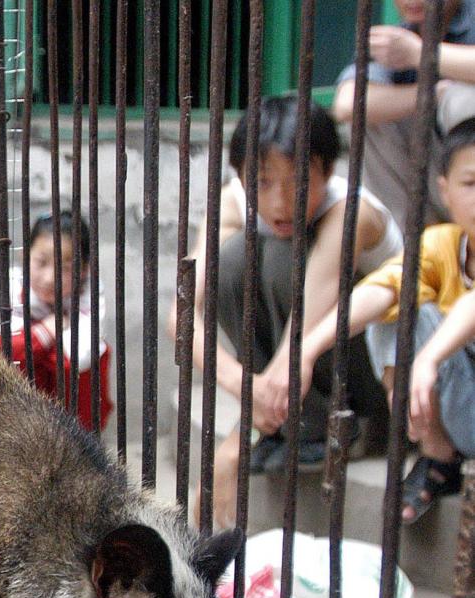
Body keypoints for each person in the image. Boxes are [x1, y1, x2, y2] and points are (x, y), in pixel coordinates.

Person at [172, 96, 398, 529]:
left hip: (367, 379)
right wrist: (247, 389)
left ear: (328, 172)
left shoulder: (351, 210)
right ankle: (282, 423)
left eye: (299, 182)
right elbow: (181, 317)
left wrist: (237, 440)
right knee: (233, 259)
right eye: (263, 181)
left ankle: (321, 424)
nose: (280, 201)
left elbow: (307, 326)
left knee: (280, 260)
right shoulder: (232, 202)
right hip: (289, 375)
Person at [266, 117, 475, 525]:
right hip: (460, 411)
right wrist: (305, 351)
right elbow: (379, 290)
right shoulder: (443, 244)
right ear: (444, 190)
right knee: (392, 306)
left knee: (422, 316)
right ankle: (438, 456)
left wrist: (428, 359)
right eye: (472, 183)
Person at [332, 0, 475, 229]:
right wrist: (431, 93)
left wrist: (420, 53)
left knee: (462, 100)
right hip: (434, 181)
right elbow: (347, 104)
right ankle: (413, 247)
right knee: (367, 114)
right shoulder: (398, 38)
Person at [0, 211, 112, 432]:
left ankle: (79, 440)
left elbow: (80, 357)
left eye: (66, 268)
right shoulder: (7, 286)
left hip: (70, 409)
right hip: (15, 408)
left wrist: (29, 342)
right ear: (25, 257)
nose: (50, 278)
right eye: (41, 262)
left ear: (84, 270)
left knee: (93, 357)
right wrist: (46, 331)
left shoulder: (89, 291)